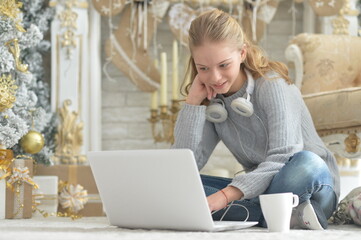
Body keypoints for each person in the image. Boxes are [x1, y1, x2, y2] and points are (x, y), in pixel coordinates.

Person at [172, 9, 340, 230]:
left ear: (242, 53)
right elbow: (183, 166)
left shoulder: (272, 85)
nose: (214, 78)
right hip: (263, 192)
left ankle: (249, 211)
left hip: (312, 185)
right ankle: (279, 215)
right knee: (176, 185)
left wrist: (224, 197)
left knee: (305, 163)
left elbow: (284, 156)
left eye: (223, 65)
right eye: (203, 68)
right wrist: (192, 104)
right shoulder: (212, 100)